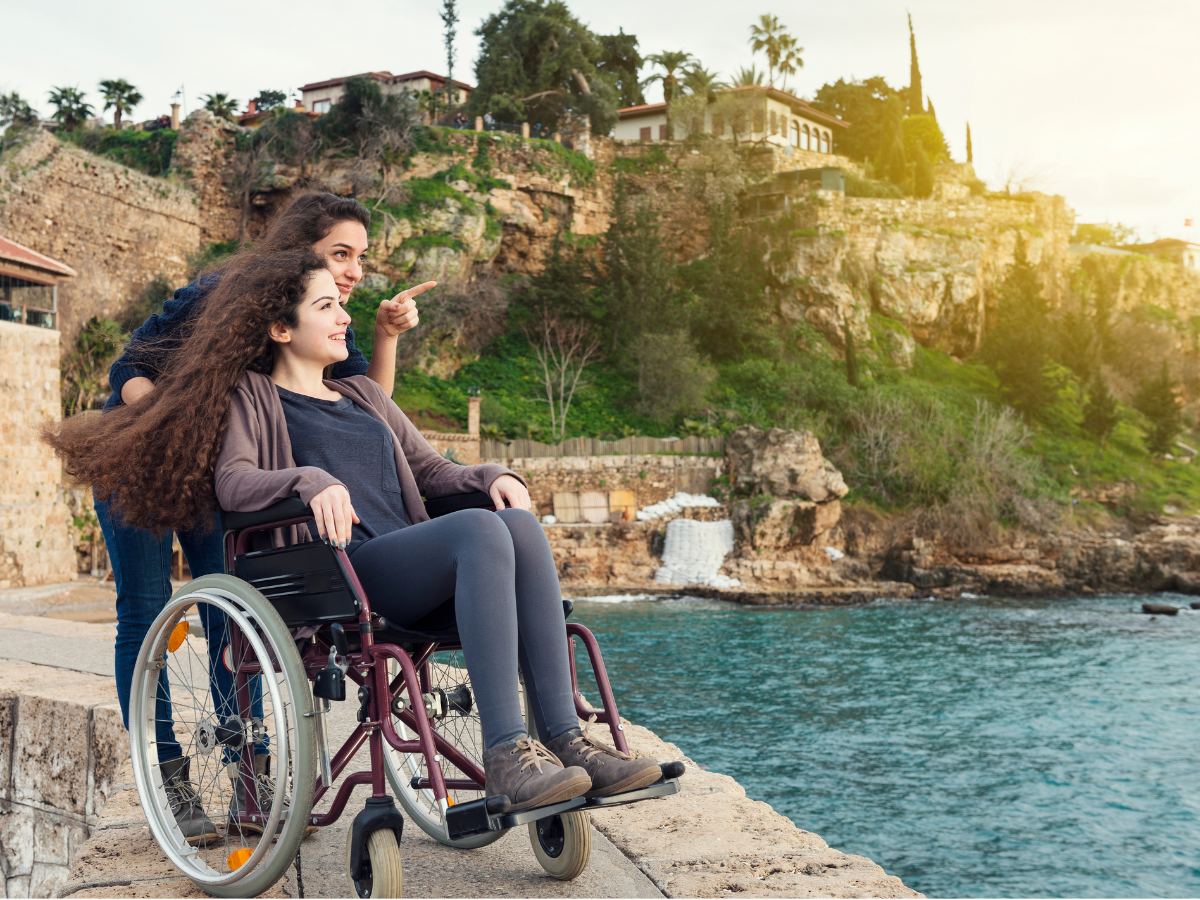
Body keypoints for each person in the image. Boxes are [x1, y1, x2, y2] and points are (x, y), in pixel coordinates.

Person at [50, 250, 664, 819]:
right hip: (347, 573)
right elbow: (233, 483)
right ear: (279, 329)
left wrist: (494, 475)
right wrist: (308, 481)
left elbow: (429, 468)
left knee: (517, 525)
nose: (345, 315)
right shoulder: (252, 397)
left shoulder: (364, 394)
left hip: (416, 560)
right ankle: (506, 752)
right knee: (481, 531)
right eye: (327, 306)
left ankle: (566, 740)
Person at [93, 191, 431, 843]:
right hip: (141, 455)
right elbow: (129, 367)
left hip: (219, 473)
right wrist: (166, 423)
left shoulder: (322, 315)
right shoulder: (218, 290)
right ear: (300, 246)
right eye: (340, 253)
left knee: (236, 612)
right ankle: (169, 778)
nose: (354, 270)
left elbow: (363, 408)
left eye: (361, 257)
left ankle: (252, 780)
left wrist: (386, 335)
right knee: (143, 606)